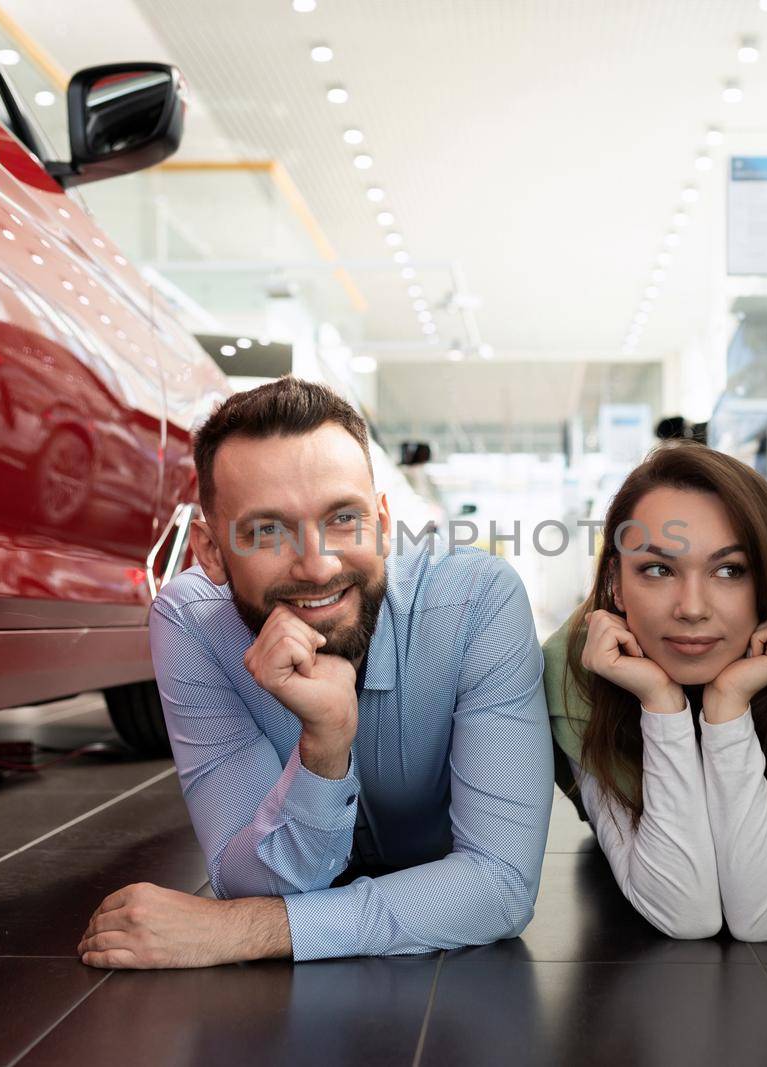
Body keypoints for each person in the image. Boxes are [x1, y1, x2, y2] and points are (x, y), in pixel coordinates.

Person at [79, 377, 553, 969]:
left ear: (381, 521)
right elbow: (246, 879)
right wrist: (324, 748)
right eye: (267, 532)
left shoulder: (476, 601)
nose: (318, 566)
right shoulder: (192, 622)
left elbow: (497, 886)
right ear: (210, 552)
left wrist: (244, 932)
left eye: (343, 518)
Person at [543, 441, 767, 943]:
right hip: (657, 825)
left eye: (729, 570)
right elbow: (687, 913)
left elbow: (765, 915)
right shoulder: (571, 668)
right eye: (658, 569)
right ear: (616, 585)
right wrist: (660, 704)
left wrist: (728, 705)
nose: (692, 608)